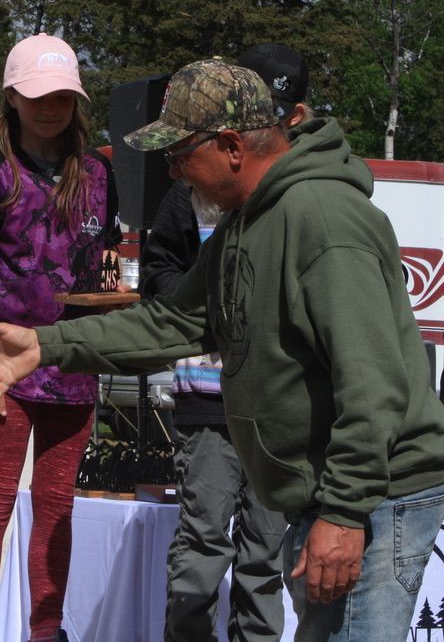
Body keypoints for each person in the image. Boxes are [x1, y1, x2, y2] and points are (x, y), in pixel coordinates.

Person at [0, 59, 444, 642]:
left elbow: (374, 388)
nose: (173, 173)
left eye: (178, 155)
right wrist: (44, 344)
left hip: (379, 494)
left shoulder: (324, 220)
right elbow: (173, 321)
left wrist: (345, 513)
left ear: (229, 145)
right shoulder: (247, 220)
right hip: (335, 491)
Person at [0, 33, 122, 642]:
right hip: (4, 366)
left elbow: (106, 262)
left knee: (56, 505)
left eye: (62, 96)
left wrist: (113, 300)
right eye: (37, 95)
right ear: (12, 98)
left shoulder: (101, 171)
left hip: (74, 361)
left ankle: (45, 633)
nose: (50, 107)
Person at [141, 43, 311, 642]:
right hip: (207, 403)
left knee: (266, 550)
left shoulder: (302, 198)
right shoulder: (185, 193)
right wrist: (210, 304)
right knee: (203, 541)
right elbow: (157, 274)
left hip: (274, 410)